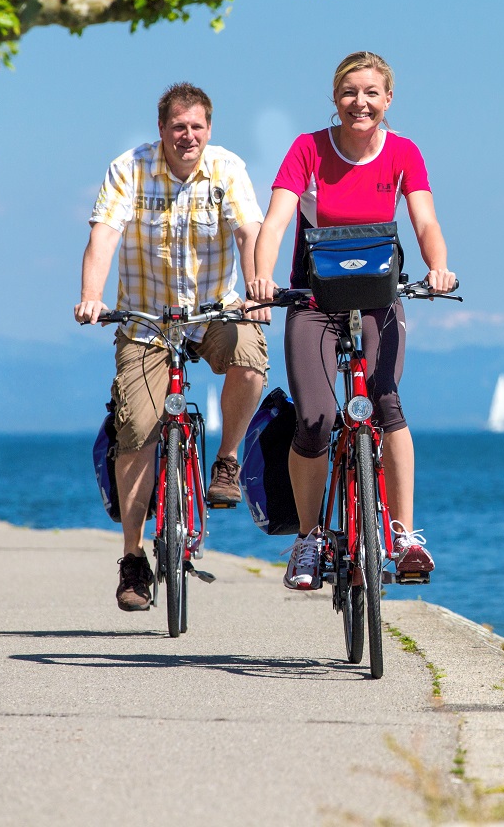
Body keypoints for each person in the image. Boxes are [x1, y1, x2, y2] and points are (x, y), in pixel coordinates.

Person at [247, 51, 455, 590]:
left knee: (385, 404)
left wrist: (438, 268)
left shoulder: (403, 152)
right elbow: (275, 220)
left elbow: (425, 217)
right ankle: (310, 539)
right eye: (348, 93)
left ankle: (404, 534)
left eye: (370, 93)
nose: (359, 103)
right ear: (334, 98)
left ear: (388, 100)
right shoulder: (308, 150)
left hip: (378, 301)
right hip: (314, 303)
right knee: (315, 418)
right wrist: (261, 280)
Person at [75, 83, 269, 612]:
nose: (188, 136)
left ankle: (226, 461)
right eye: (178, 127)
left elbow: (250, 232)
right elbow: (104, 236)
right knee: (137, 427)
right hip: (146, 323)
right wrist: (92, 297)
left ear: (210, 129)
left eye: (197, 127)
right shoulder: (129, 169)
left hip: (213, 313)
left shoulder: (227, 168)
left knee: (251, 358)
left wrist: (256, 289)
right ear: (161, 129)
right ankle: (134, 556)